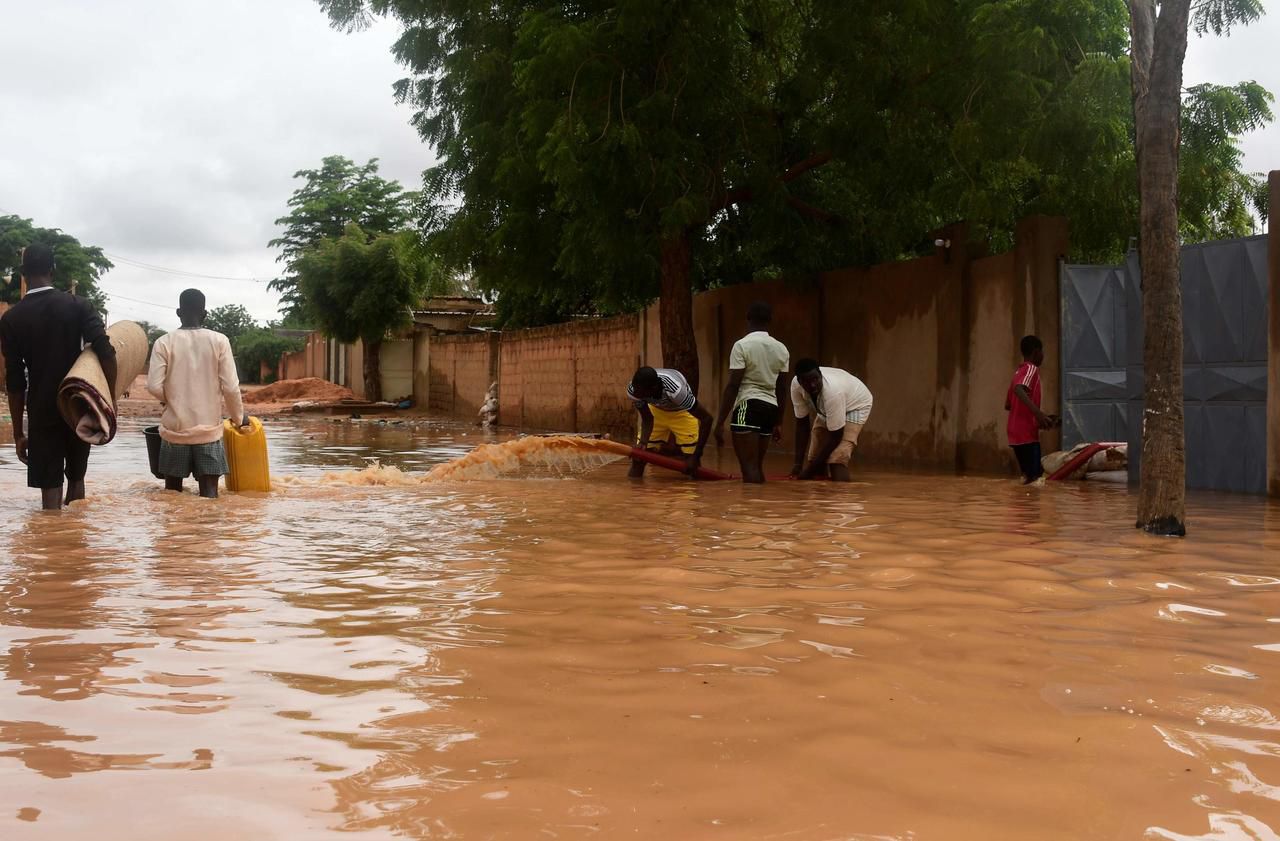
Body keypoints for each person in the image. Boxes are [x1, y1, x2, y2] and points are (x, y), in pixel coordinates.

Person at [1, 244, 118, 510]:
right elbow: (106, 353)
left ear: (22, 272)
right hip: (79, 403)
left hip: (41, 410)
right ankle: (75, 544)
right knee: (76, 480)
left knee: (49, 494)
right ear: (53, 270)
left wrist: (19, 432)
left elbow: (15, 380)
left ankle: (50, 545)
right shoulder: (78, 306)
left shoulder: (12, 319)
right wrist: (109, 400)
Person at [147, 289, 247, 499]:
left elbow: (154, 386)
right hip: (208, 434)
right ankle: (207, 530)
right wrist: (239, 419)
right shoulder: (220, 341)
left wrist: (170, 400)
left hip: (175, 432)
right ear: (205, 314)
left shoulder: (163, 342)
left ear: (178, 312)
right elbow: (230, 387)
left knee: (172, 498)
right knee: (210, 497)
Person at [712, 301, 790, 483]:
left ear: (748, 319)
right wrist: (778, 421)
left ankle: (749, 509)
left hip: (748, 405)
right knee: (756, 467)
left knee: (749, 468)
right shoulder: (781, 348)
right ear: (770, 320)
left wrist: (720, 422)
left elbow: (733, 386)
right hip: (770, 409)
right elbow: (782, 387)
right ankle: (759, 508)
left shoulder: (742, 346)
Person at [790, 359, 873, 482]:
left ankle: (841, 495)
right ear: (800, 382)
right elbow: (802, 425)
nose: (813, 385)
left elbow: (836, 436)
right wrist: (798, 466)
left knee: (836, 461)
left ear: (820, 375)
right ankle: (821, 499)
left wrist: (808, 472)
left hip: (855, 406)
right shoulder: (795, 386)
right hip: (826, 408)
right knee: (814, 460)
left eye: (815, 379)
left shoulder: (833, 392)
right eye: (807, 382)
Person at [626, 366, 713, 477]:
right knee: (639, 458)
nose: (636, 395)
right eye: (635, 390)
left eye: (641, 393)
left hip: (681, 412)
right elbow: (647, 418)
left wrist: (696, 456)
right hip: (656, 411)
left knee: (693, 465)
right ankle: (634, 492)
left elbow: (707, 419)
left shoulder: (676, 391)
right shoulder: (633, 390)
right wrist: (643, 443)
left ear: (653, 388)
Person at [1005, 334, 1058, 484]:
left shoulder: (1017, 373)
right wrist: (1038, 414)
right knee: (1036, 479)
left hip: (1014, 434)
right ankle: (1031, 507)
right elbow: (1019, 390)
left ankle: (1022, 505)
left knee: (1027, 477)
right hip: (1026, 435)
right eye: (1042, 352)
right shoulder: (1031, 369)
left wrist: (1040, 419)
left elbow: (1009, 405)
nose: (1043, 356)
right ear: (1036, 352)